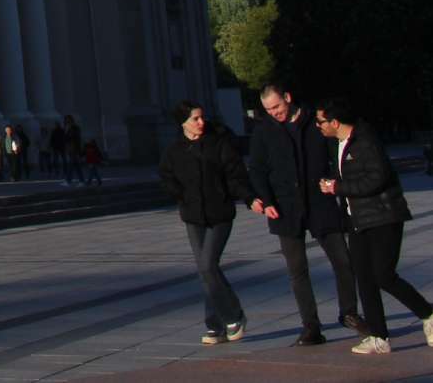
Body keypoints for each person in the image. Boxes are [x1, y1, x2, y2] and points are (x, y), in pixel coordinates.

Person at [317, 99, 432, 356]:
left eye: (320, 122)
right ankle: (379, 336)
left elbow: (377, 178)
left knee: (384, 275)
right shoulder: (338, 144)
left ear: (334, 122)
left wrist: (339, 187)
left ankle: (428, 313)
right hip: (357, 221)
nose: (318, 126)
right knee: (365, 280)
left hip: (383, 217)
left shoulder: (365, 141)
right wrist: (335, 185)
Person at [247, 82, 359, 347]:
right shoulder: (264, 130)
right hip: (285, 208)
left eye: (277, 106)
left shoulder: (314, 122)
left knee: (342, 260)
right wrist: (266, 200)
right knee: (297, 270)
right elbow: (257, 169)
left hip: (320, 202)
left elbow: (335, 154)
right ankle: (311, 326)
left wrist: (334, 182)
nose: (274, 112)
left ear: (288, 97)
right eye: (268, 109)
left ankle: (349, 313)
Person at [159, 100, 252, 345]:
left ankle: (234, 315)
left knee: (209, 265)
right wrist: (181, 196)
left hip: (219, 214)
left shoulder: (218, 144)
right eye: (195, 119)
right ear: (183, 123)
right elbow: (166, 176)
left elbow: (235, 174)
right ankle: (216, 324)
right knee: (205, 270)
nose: (201, 123)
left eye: (202, 118)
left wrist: (249, 197)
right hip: (193, 216)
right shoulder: (175, 150)